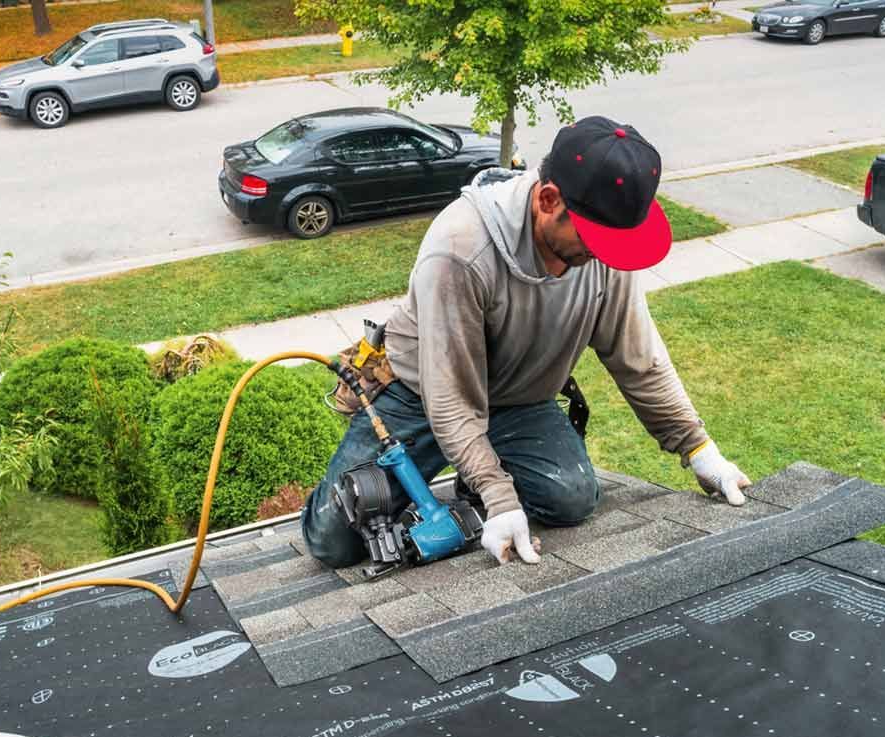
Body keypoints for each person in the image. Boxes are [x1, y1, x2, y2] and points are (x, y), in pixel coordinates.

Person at [302, 115, 750, 568]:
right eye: (595, 239)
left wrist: (697, 447)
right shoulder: (460, 248)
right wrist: (497, 496)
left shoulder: (603, 250)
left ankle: (472, 473)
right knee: (334, 542)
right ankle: (462, 470)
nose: (603, 254)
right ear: (549, 199)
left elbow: (639, 358)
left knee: (572, 498)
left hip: (517, 398)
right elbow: (450, 397)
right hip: (423, 393)